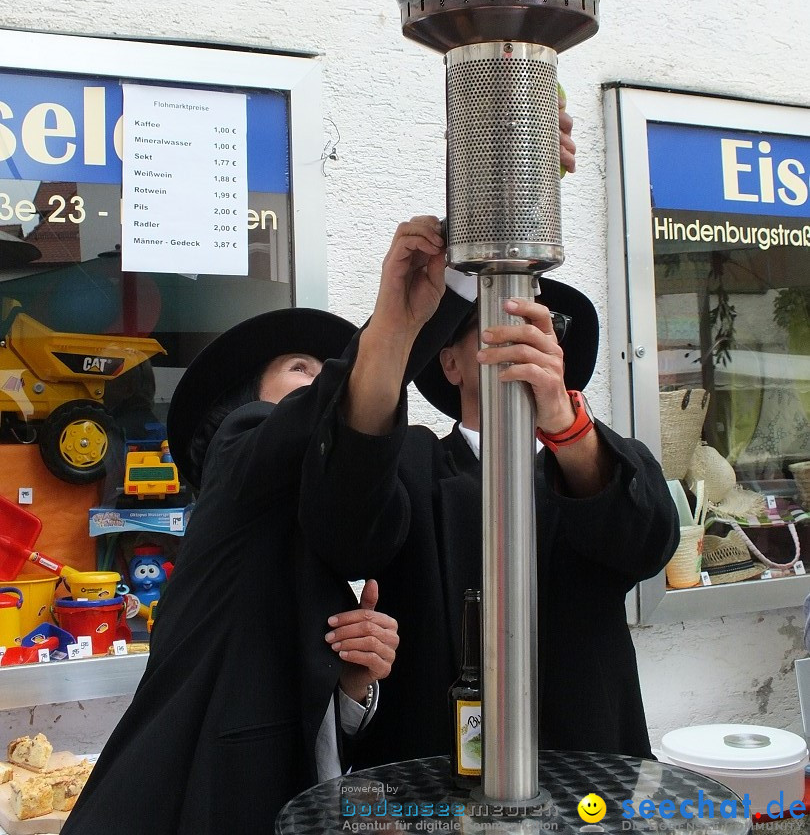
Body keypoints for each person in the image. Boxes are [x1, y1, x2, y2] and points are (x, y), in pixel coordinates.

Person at [62, 216, 455, 835]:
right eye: (301, 369)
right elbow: (325, 415)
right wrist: (398, 323)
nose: (318, 385)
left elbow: (308, 729)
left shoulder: (317, 522)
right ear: (249, 403)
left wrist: (352, 681)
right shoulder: (238, 452)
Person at [302, 274, 680, 767]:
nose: (521, 336)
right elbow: (347, 527)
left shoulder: (599, 463)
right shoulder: (413, 464)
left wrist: (568, 428)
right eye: (495, 323)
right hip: (433, 781)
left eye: (542, 325)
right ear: (451, 361)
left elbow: (648, 544)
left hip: (589, 773)